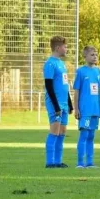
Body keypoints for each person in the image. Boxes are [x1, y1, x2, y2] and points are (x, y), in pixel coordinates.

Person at [43, 35, 73, 168]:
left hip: (64, 105)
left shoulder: (62, 64)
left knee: (62, 133)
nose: (66, 49)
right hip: (55, 104)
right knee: (54, 132)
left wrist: (70, 103)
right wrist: (55, 105)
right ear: (57, 47)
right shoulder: (50, 64)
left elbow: (64, 85)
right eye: (65, 47)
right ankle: (50, 162)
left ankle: (58, 161)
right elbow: (49, 86)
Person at [73, 46, 100, 168]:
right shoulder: (80, 71)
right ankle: (80, 162)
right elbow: (77, 91)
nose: (95, 57)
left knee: (91, 135)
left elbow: (99, 91)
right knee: (84, 135)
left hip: (95, 109)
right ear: (85, 56)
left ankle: (90, 162)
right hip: (85, 109)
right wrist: (76, 108)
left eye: (96, 54)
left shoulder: (98, 72)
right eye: (92, 55)